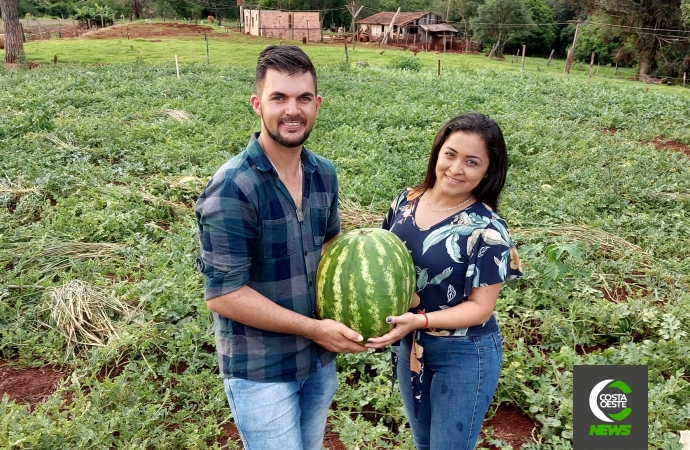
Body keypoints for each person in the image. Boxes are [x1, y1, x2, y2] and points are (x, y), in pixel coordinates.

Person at [195, 45, 366, 450]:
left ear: (318, 104)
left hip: (317, 362)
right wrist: (316, 329)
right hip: (261, 371)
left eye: (303, 98)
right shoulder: (233, 187)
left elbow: (331, 246)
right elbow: (224, 295)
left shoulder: (324, 174)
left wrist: (365, 307)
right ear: (258, 104)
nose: (293, 110)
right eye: (279, 98)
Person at [366, 112, 523, 450]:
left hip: (465, 353)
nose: (455, 168)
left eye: (472, 162)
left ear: (487, 171)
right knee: (425, 444)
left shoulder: (488, 230)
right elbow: (381, 267)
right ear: (438, 152)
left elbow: (481, 309)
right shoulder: (404, 202)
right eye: (450, 155)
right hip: (414, 345)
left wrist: (419, 320)